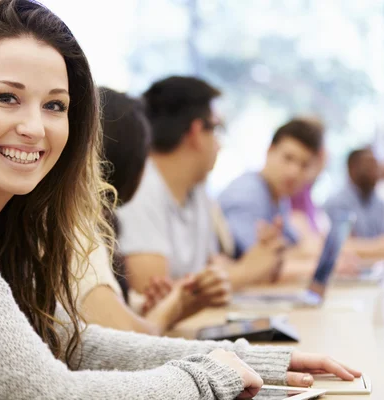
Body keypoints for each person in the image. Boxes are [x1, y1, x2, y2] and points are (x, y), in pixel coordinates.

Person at [0, 0, 360, 398]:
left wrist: (247, 361)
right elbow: (42, 391)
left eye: (55, 105)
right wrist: (207, 379)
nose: (34, 127)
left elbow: (72, 344)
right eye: (6, 97)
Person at [116, 76, 286, 305]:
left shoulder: (197, 189)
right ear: (196, 131)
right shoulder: (141, 187)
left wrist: (264, 258)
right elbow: (151, 293)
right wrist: (247, 271)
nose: (220, 144)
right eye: (217, 129)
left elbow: (214, 268)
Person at [75, 87, 201, 334]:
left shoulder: (102, 221)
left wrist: (138, 307)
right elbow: (125, 340)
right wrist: (173, 305)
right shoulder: (77, 231)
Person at [219, 117, 324, 260]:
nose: (294, 172)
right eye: (288, 158)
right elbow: (258, 262)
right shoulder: (246, 194)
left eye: (304, 165)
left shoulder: (278, 196)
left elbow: (293, 245)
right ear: (270, 151)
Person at [323, 148, 384, 259]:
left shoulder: (379, 204)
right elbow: (340, 247)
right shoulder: (337, 202)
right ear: (351, 168)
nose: (374, 170)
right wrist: (378, 246)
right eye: (367, 165)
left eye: (375, 165)